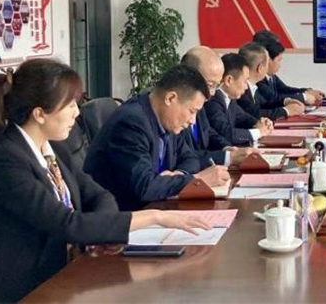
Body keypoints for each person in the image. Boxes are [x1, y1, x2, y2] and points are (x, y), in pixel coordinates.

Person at [0, 59, 210, 304]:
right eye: (70, 105)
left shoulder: (53, 148)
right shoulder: (5, 160)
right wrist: (154, 216)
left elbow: (99, 195)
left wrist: (102, 235)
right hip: (27, 288)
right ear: (39, 114)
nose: (77, 112)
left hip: (67, 274)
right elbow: (67, 224)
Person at [84, 65, 230, 210]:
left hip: (155, 208)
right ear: (170, 98)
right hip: (123, 215)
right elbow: (144, 186)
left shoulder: (167, 119)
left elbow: (190, 158)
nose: (193, 120)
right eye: (192, 111)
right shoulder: (132, 123)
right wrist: (196, 179)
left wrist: (179, 175)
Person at [180, 46, 258, 168]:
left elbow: (208, 132)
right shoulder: (175, 109)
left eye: (216, 85)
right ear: (188, 77)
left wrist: (226, 148)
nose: (212, 93)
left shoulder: (201, 101)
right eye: (210, 85)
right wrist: (227, 158)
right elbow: (182, 157)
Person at [205, 53, 273, 147]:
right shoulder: (212, 101)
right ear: (229, 80)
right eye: (245, 81)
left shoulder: (230, 99)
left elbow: (244, 117)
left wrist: (261, 123)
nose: (246, 87)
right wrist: (259, 132)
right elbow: (226, 133)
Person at [238, 41, 301, 121]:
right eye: (267, 64)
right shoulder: (241, 90)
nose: (268, 68)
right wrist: (287, 111)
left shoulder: (253, 86)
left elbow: (266, 104)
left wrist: (286, 101)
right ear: (260, 68)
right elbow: (255, 113)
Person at [255, 37, 323, 108]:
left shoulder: (272, 76)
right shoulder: (258, 79)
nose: (280, 65)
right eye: (279, 60)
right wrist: (304, 97)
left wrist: (307, 91)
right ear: (267, 61)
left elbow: (285, 89)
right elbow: (273, 98)